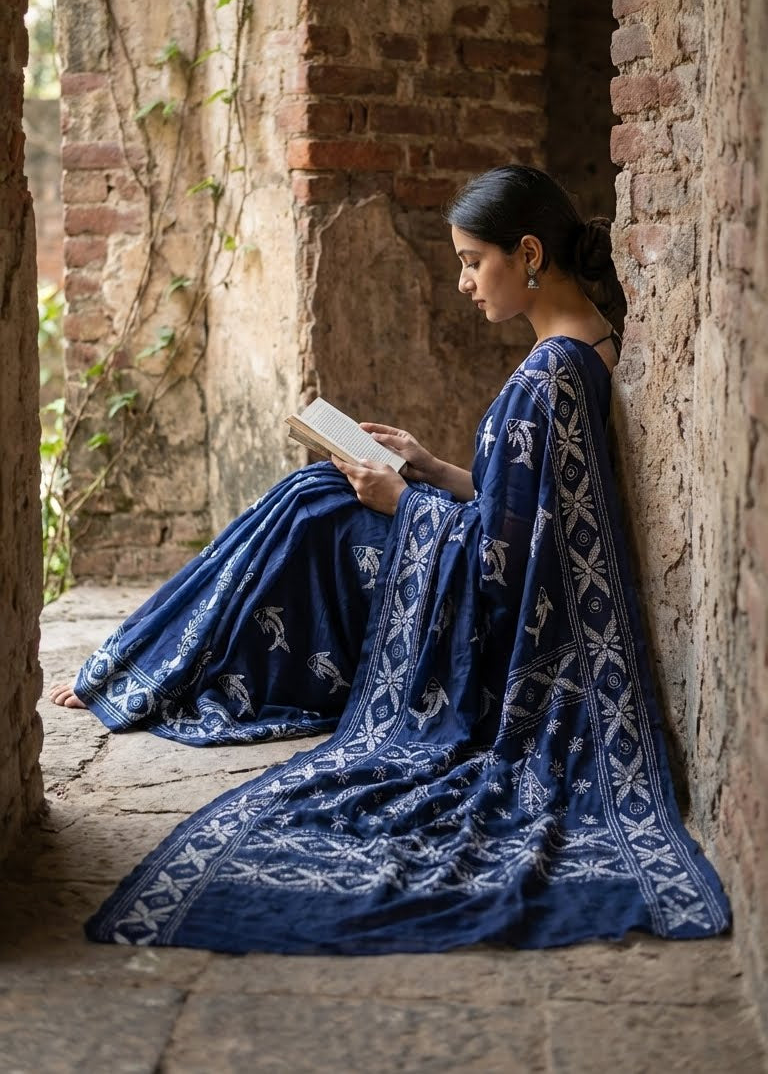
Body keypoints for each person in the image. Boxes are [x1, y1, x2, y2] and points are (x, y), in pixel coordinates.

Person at [51, 165, 730, 954]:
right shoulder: (591, 345)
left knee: (311, 508)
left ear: (529, 253)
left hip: (492, 629)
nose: (464, 281)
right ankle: (144, 664)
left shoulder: (550, 377)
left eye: (473, 261)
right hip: (482, 566)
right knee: (314, 496)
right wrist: (430, 468)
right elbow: (525, 505)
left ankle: (144, 670)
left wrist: (402, 503)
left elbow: (504, 569)